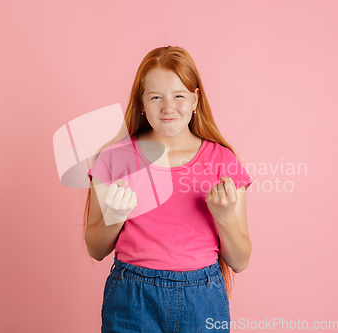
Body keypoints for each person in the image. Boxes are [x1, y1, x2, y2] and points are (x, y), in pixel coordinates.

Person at [83, 46, 254, 332]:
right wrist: (115, 215)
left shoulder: (223, 161)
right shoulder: (113, 159)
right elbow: (96, 248)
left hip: (203, 299)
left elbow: (240, 261)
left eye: (179, 96)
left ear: (195, 99)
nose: (168, 108)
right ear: (141, 102)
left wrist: (223, 217)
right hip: (132, 298)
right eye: (156, 97)